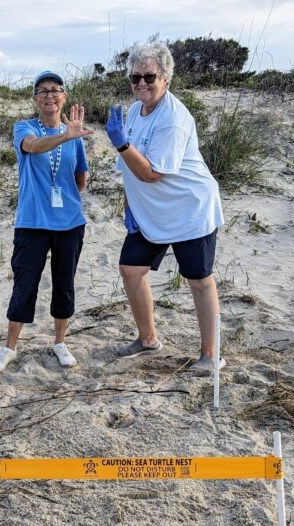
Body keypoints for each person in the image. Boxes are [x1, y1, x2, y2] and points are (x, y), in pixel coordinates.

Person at [105, 42, 226, 373]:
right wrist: (129, 207)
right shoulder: (133, 112)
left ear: (166, 79)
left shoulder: (173, 118)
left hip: (189, 209)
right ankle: (148, 340)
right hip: (151, 214)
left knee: (198, 279)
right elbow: (130, 171)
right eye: (135, 77)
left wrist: (122, 143)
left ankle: (211, 355)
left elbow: (152, 172)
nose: (141, 83)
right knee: (131, 270)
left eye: (149, 76)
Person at [0, 71, 93, 373]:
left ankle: (60, 342)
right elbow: (32, 147)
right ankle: (9, 348)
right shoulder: (24, 127)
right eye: (42, 91)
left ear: (64, 97)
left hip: (69, 222)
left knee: (64, 284)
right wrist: (64, 136)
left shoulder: (75, 135)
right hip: (32, 222)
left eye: (55, 90)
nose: (49, 95)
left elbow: (81, 179)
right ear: (34, 99)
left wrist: (70, 138)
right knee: (24, 284)